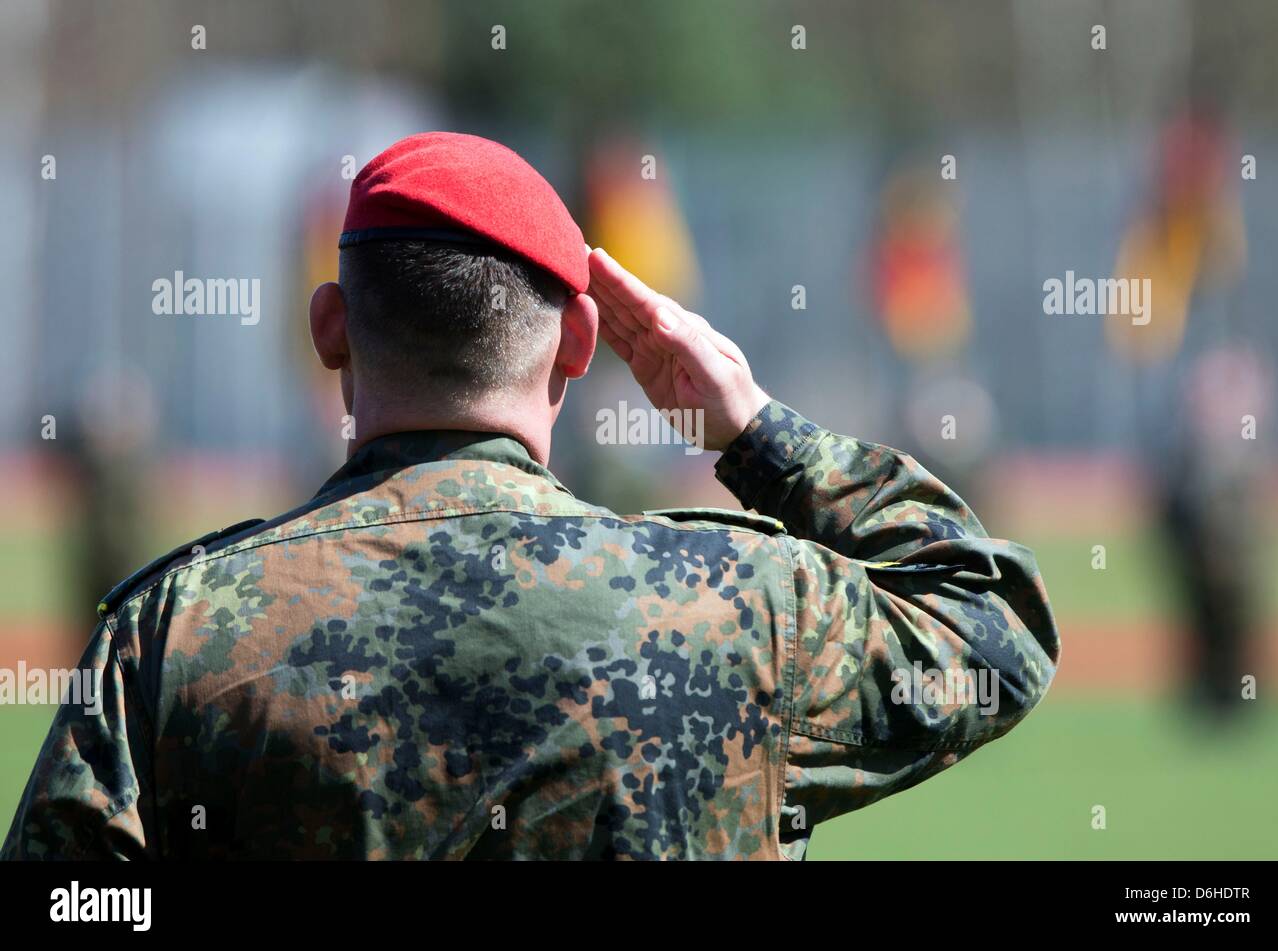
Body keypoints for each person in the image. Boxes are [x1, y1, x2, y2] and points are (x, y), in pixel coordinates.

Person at [2, 132, 1058, 860]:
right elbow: (992, 628)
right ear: (582, 343)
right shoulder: (740, 606)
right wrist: (752, 432)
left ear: (328, 327)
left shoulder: (177, 634)